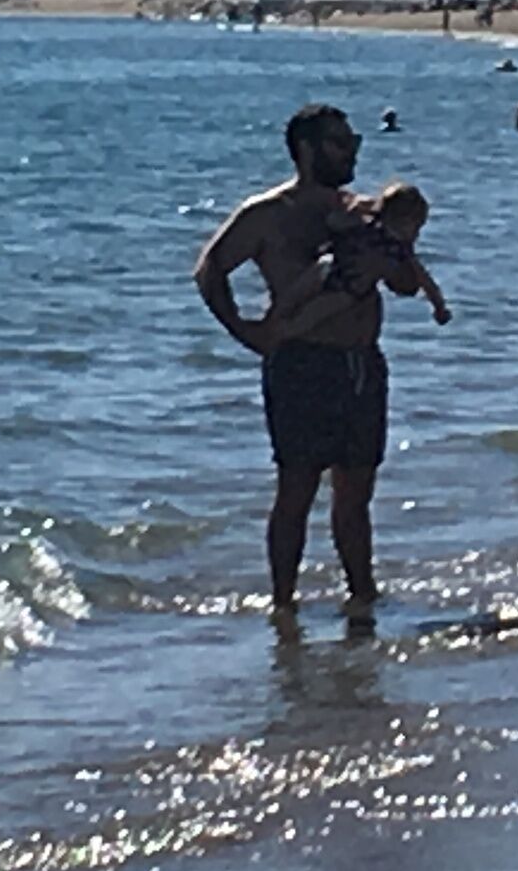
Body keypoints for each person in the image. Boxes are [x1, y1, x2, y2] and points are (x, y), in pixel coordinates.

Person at [194, 103, 393, 624]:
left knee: (356, 493)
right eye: (340, 143)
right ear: (307, 150)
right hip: (301, 366)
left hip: (361, 364)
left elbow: (401, 274)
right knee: (296, 488)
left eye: (354, 142)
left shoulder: (361, 211)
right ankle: (284, 609)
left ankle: (363, 602)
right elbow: (210, 270)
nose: (353, 151)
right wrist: (243, 332)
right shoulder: (269, 214)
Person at [329, 180, 455, 327]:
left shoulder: (378, 233)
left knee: (317, 309)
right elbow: (426, 281)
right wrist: (439, 307)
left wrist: (439, 307)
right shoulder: (397, 245)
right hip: (343, 278)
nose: (416, 235)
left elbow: (426, 282)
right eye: (415, 228)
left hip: (347, 283)